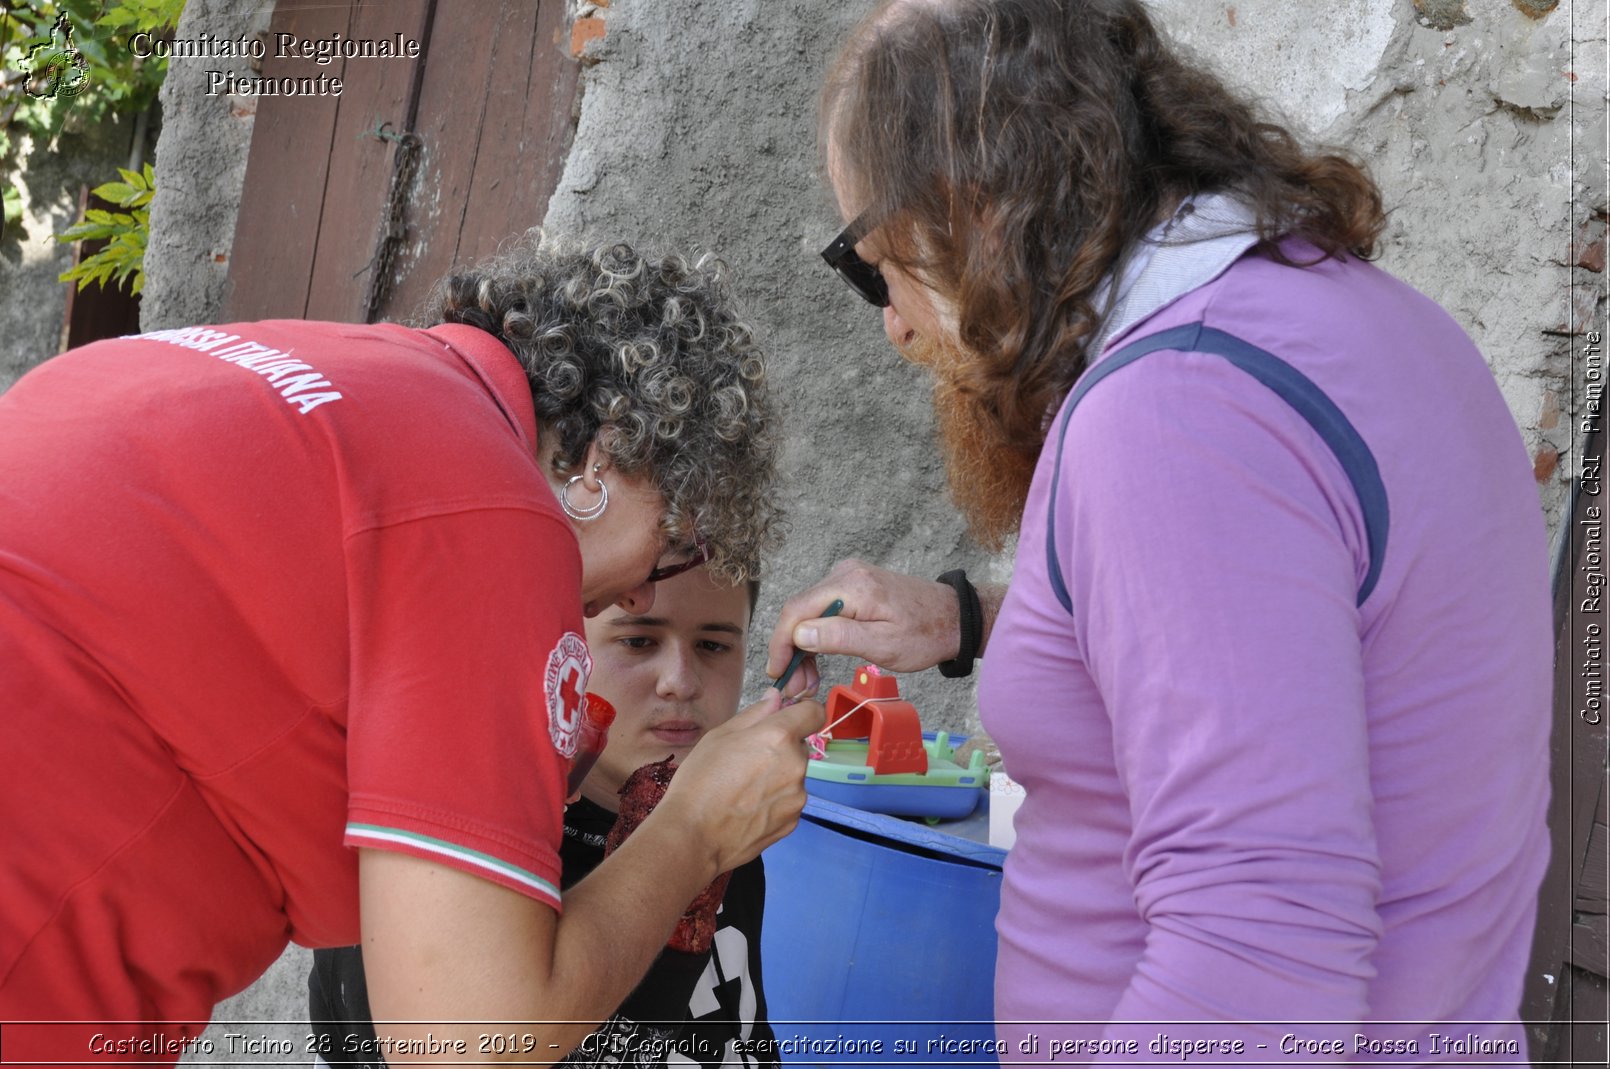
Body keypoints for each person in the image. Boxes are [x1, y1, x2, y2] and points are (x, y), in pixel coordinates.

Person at [772, 0, 1552, 1059]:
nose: (892, 320)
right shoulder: (1364, 320)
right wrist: (970, 618)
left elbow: (1259, 945)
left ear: (972, 206)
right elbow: (1289, 642)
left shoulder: (1175, 409)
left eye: (871, 260)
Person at [0, 236, 825, 1066]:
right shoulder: (497, 517)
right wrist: (693, 829)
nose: (645, 589)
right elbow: (465, 1038)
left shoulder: (348, 377)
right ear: (603, 463)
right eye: (674, 543)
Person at [308, 567, 780, 1069]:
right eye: (639, 641)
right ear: (558, 655)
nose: (680, 682)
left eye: (713, 646)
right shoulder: (449, 872)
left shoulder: (731, 828)